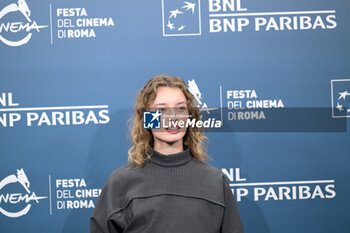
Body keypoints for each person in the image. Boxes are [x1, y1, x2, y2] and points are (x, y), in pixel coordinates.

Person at [90, 75, 244, 233]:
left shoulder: (215, 181)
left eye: (180, 109)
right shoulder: (120, 182)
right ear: (146, 118)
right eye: (161, 109)